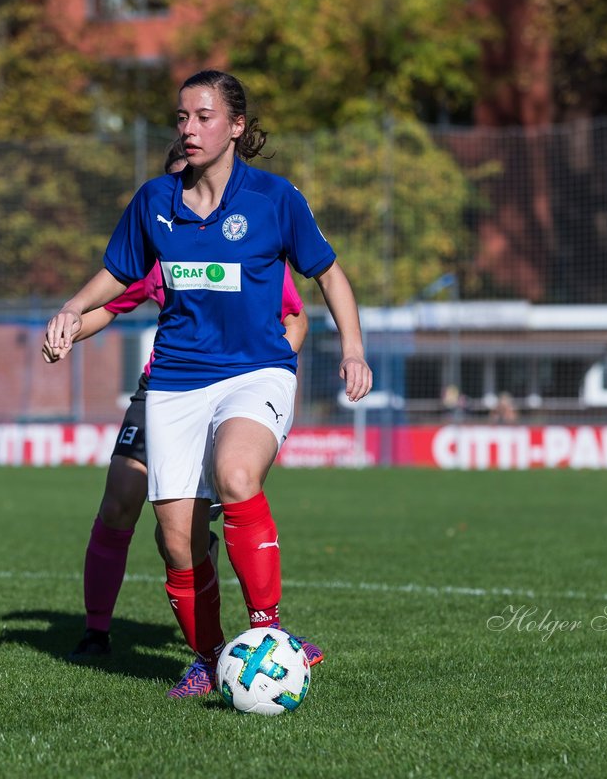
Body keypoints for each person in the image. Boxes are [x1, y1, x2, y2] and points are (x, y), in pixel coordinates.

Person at [46, 70, 372, 698]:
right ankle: (209, 657)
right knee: (177, 540)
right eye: (181, 118)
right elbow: (116, 278)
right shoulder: (153, 202)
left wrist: (353, 349)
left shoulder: (276, 199)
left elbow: (329, 277)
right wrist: (68, 310)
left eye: (203, 117)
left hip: (256, 372)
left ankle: (269, 637)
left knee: (236, 476)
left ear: (236, 127)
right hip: (173, 382)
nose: (188, 129)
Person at [47, 142, 310, 663]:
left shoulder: (247, 241)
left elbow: (294, 317)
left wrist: (263, 379)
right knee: (122, 498)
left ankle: (263, 637)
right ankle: (97, 632)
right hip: (165, 390)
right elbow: (108, 306)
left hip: (235, 385)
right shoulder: (156, 237)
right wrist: (70, 327)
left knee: (219, 503)